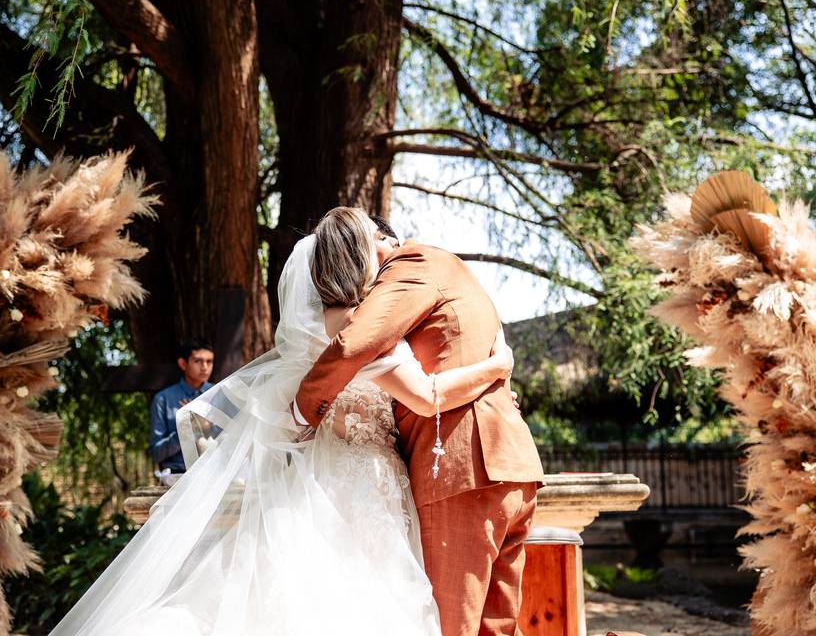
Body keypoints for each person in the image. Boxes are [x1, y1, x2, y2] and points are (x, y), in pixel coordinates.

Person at [48, 211, 514, 635]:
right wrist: (495, 369)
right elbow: (425, 395)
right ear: (360, 258)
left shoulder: (319, 325)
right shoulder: (364, 325)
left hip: (322, 475)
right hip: (369, 480)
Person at [294, 208, 546, 635]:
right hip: (508, 466)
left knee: (451, 626)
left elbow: (355, 342)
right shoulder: (451, 275)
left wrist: (302, 408)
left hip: (462, 469)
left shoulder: (410, 265)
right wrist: (502, 366)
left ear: (380, 239)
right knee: (494, 628)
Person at [149, 339, 214, 485]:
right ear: (183, 364)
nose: (205, 367)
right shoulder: (163, 399)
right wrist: (186, 428)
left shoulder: (218, 394)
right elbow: (156, 453)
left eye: (209, 361)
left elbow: (233, 440)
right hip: (178, 479)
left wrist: (208, 426)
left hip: (216, 476)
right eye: (198, 361)